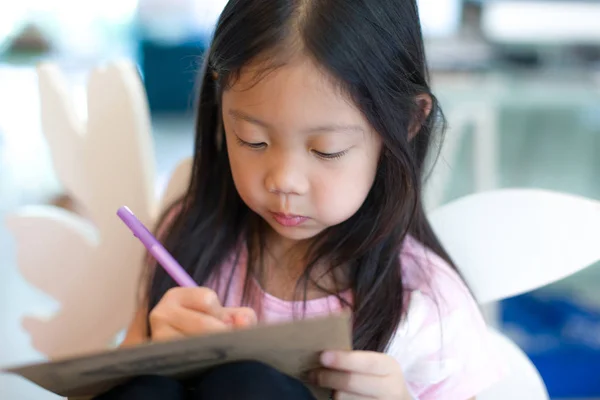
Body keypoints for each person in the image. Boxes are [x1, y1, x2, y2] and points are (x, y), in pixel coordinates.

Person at [95, 0, 506, 399]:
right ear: (221, 104)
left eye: (326, 150)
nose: (284, 181)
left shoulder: (428, 310)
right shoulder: (190, 241)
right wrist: (148, 354)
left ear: (407, 120)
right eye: (252, 140)